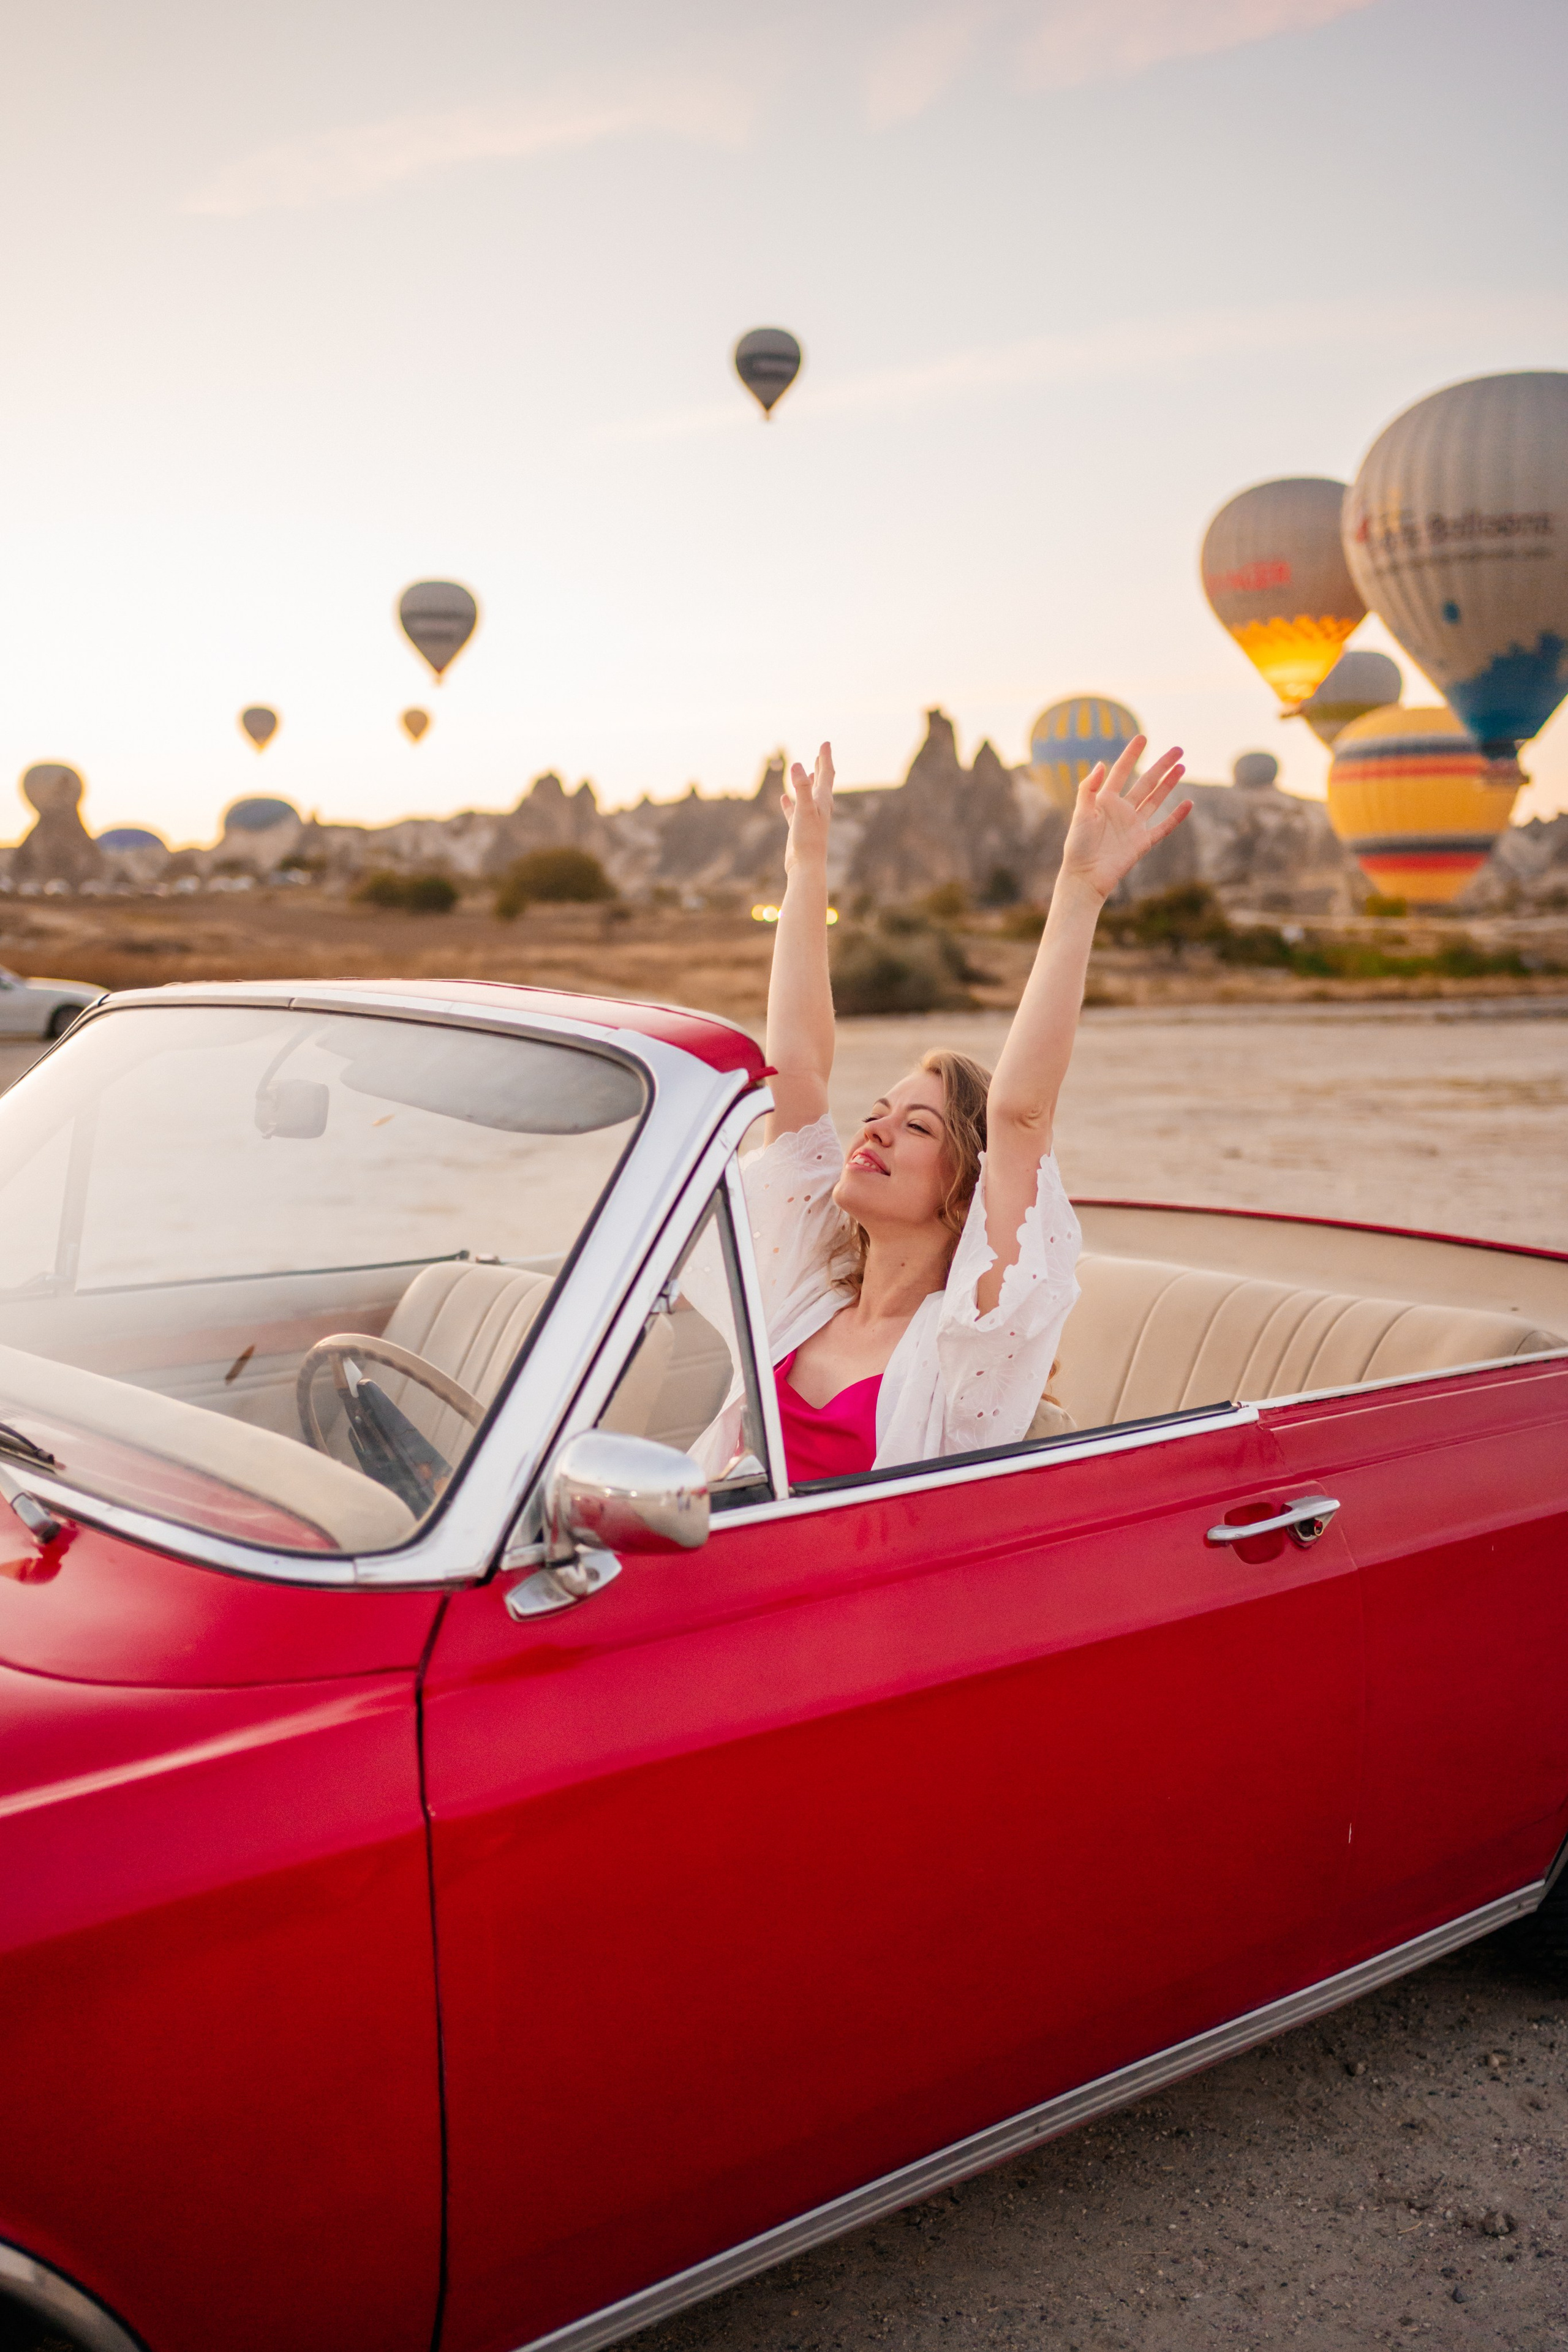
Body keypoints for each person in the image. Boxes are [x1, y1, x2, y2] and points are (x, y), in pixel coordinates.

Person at [694, 733, 1191, 1486]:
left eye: (917, 1125)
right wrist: (806, 867)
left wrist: (1079, 890)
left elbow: (1021, 1115)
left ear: (965, 1189)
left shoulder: (970, 1338)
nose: (875, 1129)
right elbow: (794, 1065)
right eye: (879, 1110)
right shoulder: (800, 1289)